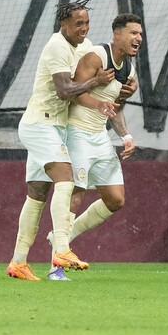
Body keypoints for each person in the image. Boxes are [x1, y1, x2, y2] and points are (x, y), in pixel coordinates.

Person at [6, 0, 116, 281]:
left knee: (36, 194)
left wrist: (121, 85)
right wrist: (96, 81)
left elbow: (96, 72)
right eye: (78, 23)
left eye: (87, 23)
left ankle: (18, 262)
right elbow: (65, 90)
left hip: (55, 126)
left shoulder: (85, 45)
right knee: (66, 178)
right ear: (63, 24)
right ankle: (63, 248)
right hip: (39, 124)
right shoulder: (56, 46)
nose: (84, 28)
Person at [49, 14, 142, 280]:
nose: (138, 38)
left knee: (116, 199)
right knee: (75, 195)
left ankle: (61, 237)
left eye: (140, 34)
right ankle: (56, 267)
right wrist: (99, 104)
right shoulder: (96, 56)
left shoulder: (129, 70)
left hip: (100, 136)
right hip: (77, 132)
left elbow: (114, 108)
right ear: (117, 34)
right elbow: (74, 93)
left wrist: (126, 136)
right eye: (133, 33)